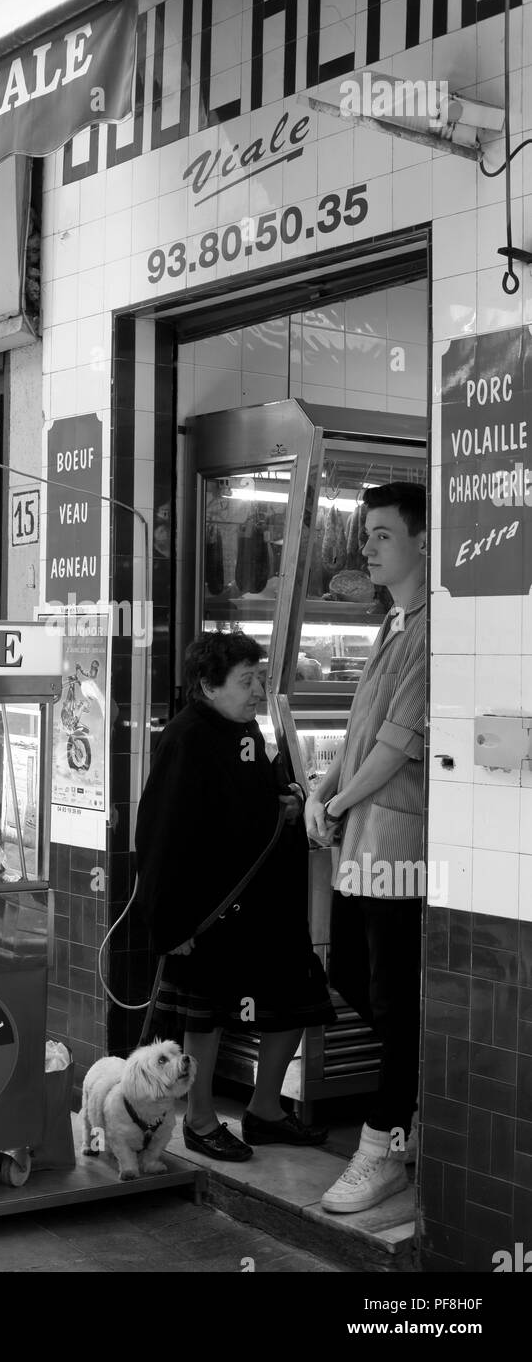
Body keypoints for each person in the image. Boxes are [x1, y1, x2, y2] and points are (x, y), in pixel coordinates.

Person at [135, 631, 336, 1160]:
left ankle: (265, 1110)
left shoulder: (245, 728)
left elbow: (249, 803)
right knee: (208, 1016)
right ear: (208, 685)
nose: (257, 690)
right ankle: (200, 1121)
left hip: (267, 906)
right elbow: (160, 834)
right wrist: (169, 926)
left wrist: (284, 803)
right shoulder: (186, 737)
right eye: (246, 680)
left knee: (298, 999)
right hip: (210, 913)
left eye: (260, 678)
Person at [305, 481, 426, 1213]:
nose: (368, 547)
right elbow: (358, 739)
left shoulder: (432, 629)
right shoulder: (391, 624)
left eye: (382, 534)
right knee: (350, 972)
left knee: (390, 993)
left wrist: (339, 800)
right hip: (361, 845)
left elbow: (396, 744)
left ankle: (383, 1144)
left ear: (422, 541)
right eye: (366, 535)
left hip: (401, 847)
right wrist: (322, 790)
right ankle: (417, 1089)